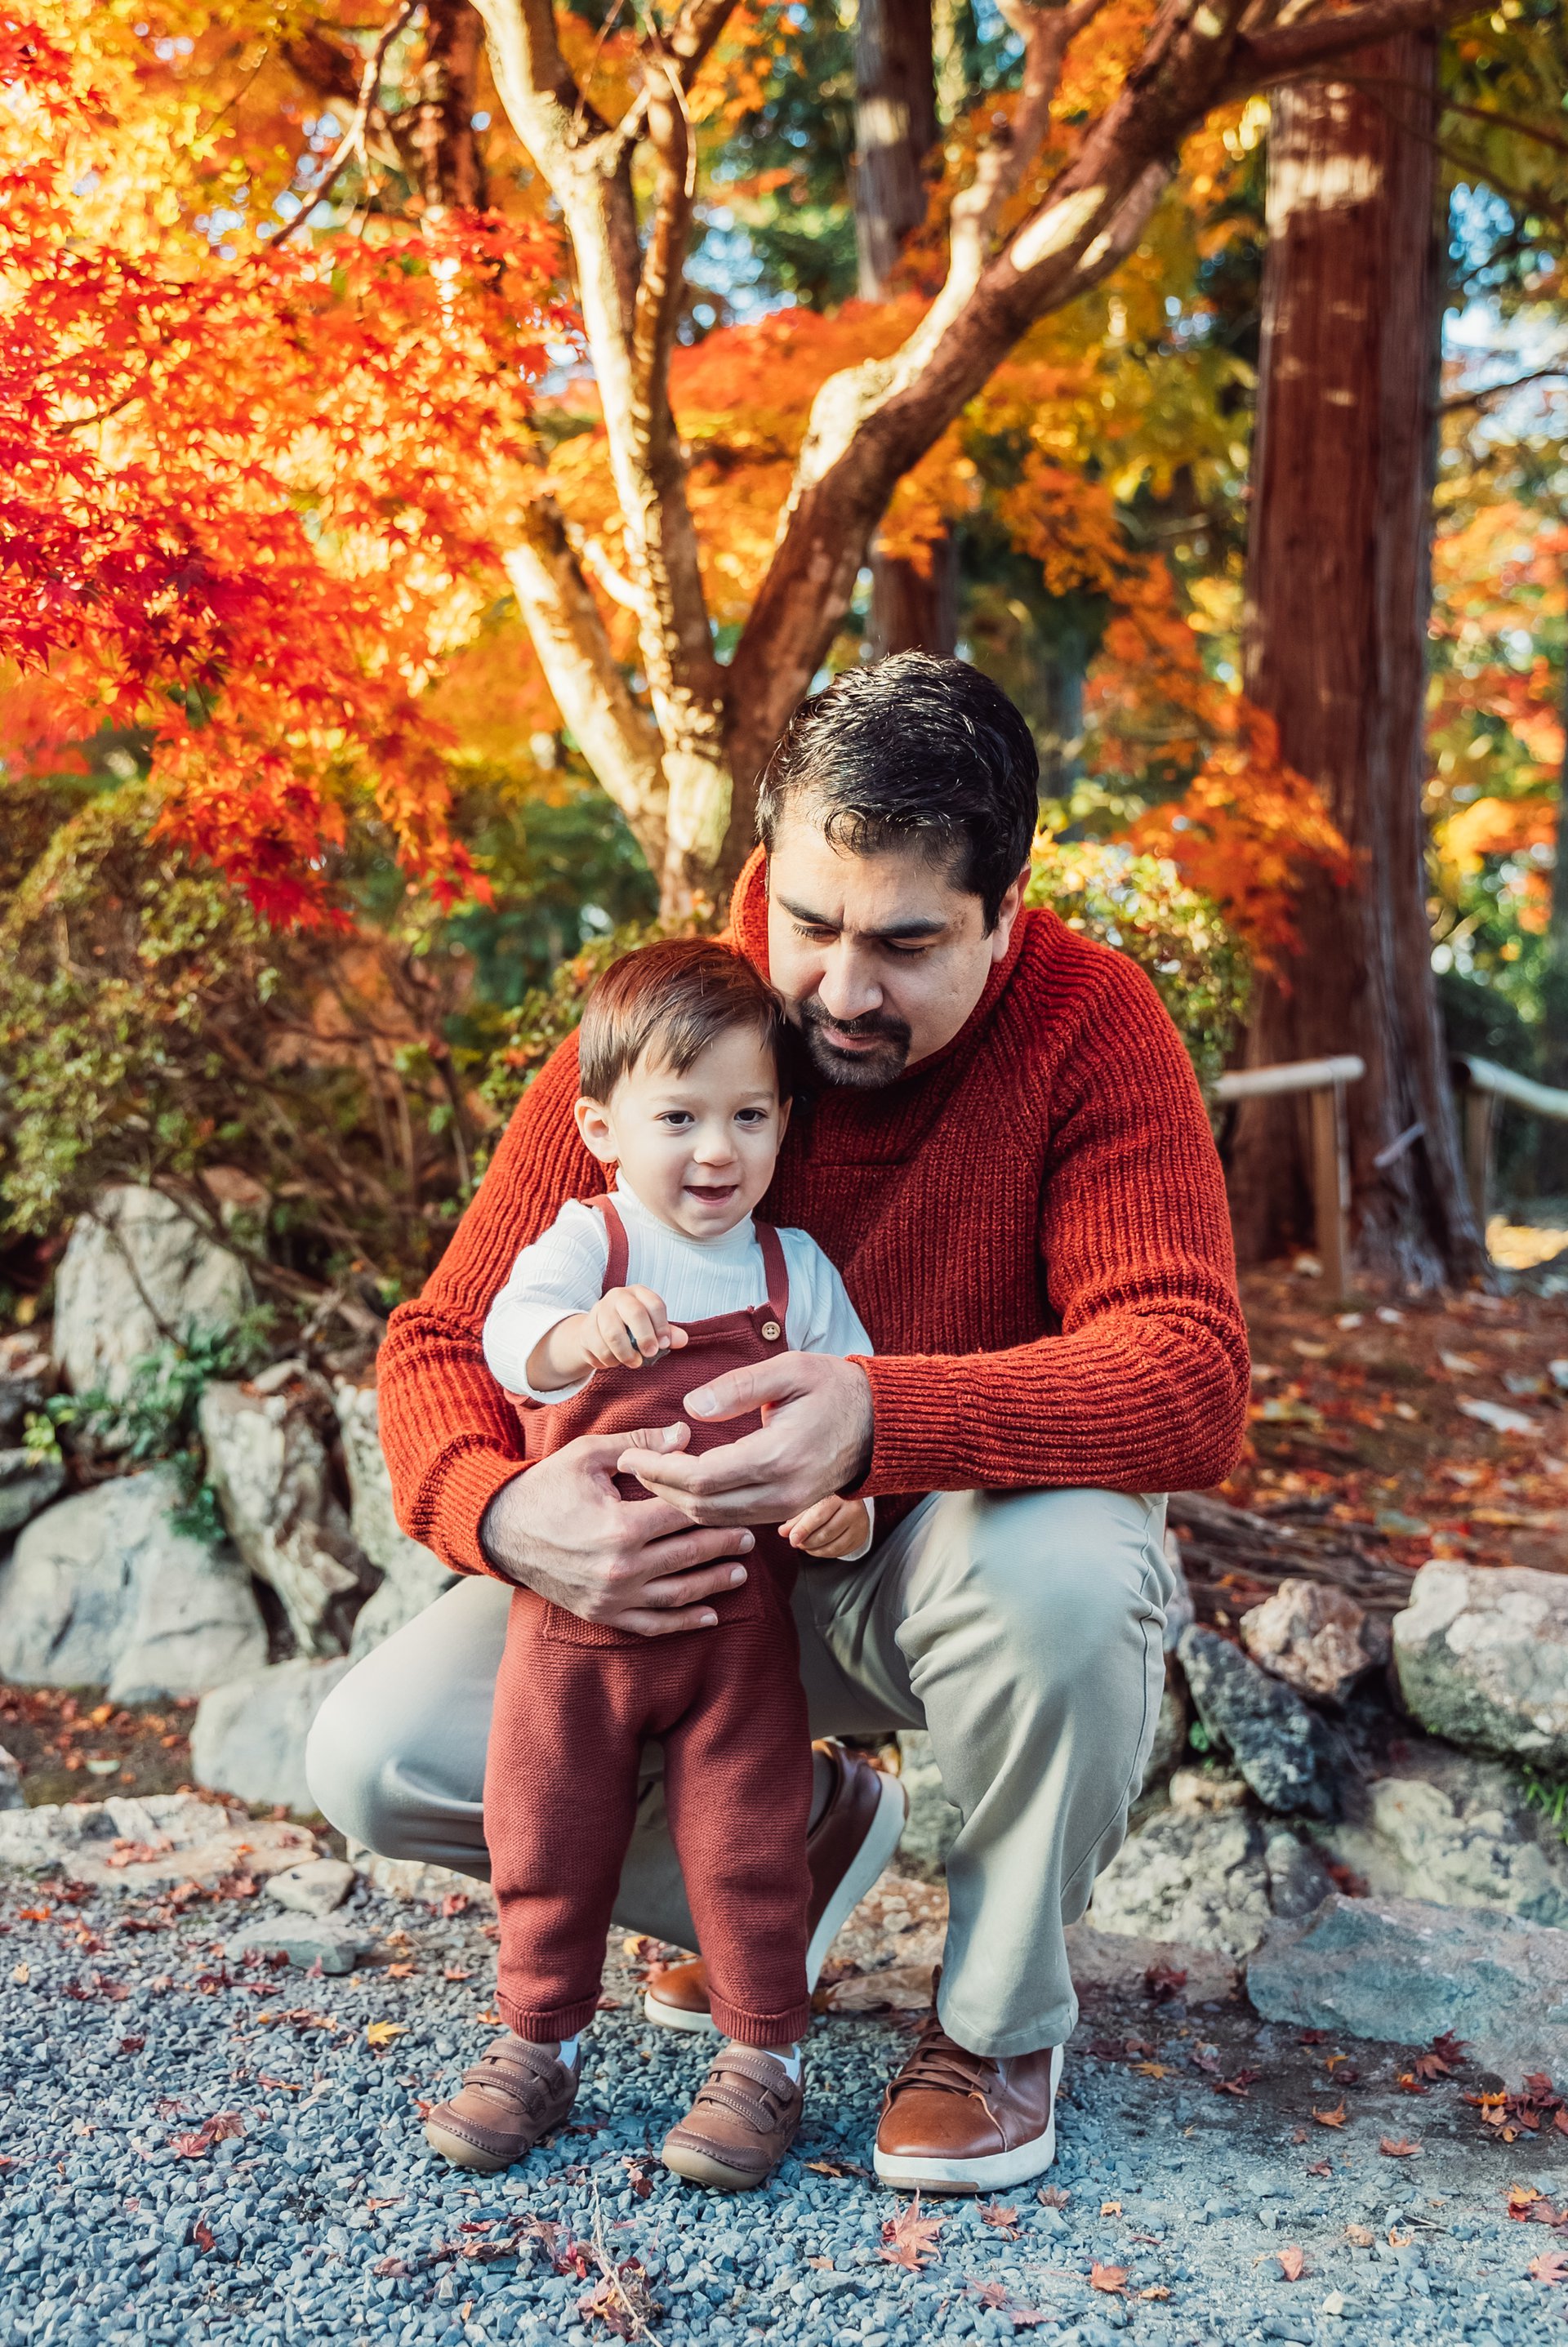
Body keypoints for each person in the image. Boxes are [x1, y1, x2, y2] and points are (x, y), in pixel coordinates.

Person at [307, 652, 1250, 2194]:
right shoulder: (672, 1035)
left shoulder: (1093, 1027)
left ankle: (999, 2021)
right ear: (767, 869)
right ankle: (790, 1855)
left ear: (1005, 918)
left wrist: (878, 1418)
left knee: (1076, 1577)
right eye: (809, 923)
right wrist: (500, 1514)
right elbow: (440, 1339)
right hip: (665, 1585)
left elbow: (1187, 1369)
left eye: (906, 943)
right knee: (378, 1750)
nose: (838, 988)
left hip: (916, 1557)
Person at [422, 938, 898, 2191]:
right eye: (678, 1117)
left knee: (745, 1841)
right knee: (546, 1831)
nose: (715, 1152)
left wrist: (846, 1505)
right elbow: (505, 1343)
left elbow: (851, 1408)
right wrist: (582, 1336)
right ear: (600, 1126)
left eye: (749, 1116)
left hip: (735, 1635)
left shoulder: (795, 1271)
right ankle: (540, 2037)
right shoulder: (590, 1243)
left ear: (786, 1123)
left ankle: (764, 2058)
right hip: (568, 1633)